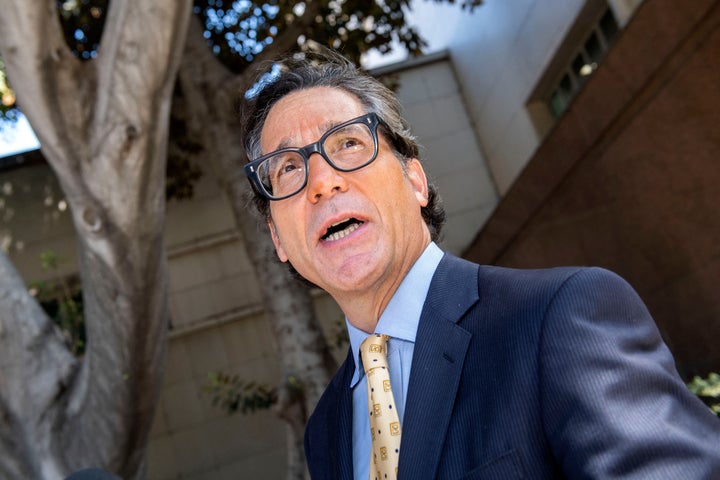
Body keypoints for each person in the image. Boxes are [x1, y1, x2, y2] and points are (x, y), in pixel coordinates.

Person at [241, 49, 720, 479]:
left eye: (347, 143)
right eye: (287, 168)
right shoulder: (325, 431)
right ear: (279, 238)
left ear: (415, 182)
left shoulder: (560, 317)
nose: (321, 181)